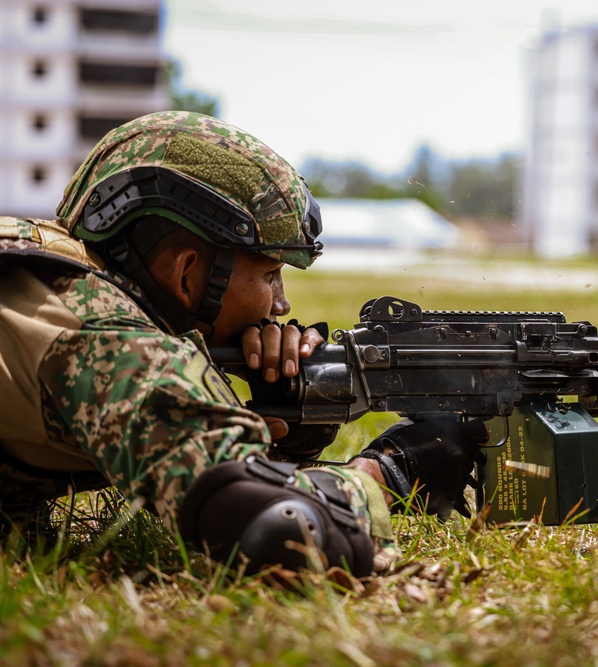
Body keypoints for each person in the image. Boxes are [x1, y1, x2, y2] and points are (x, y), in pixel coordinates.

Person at [0, 111, 486, 578]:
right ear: (188, 275)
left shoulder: (52, 282)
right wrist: (388, 476)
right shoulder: (103, 339)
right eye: (271, 274)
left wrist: (290, 426)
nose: (281, 304)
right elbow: (274, 526)